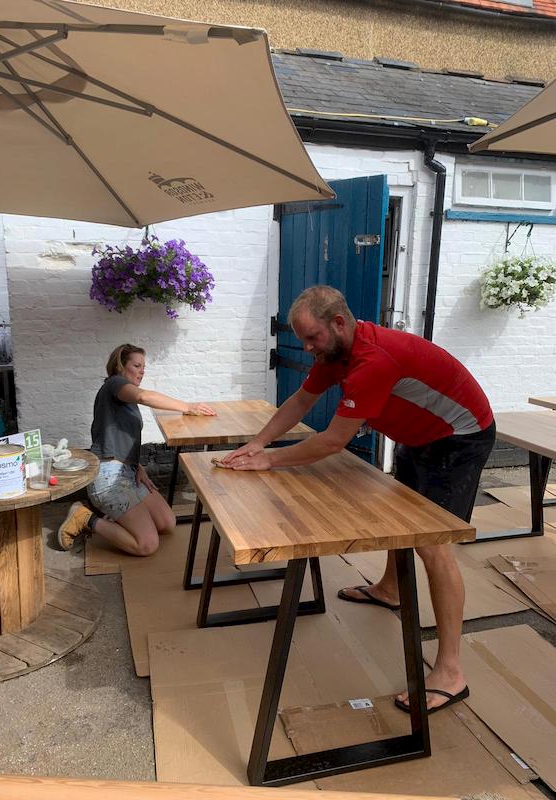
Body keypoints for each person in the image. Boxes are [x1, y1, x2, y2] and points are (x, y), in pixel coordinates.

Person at [222, 285, 495, 715]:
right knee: (400, 515)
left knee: (432, 543)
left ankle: (450, 671)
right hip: (419, 435)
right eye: (303, 340)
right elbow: (300, 401)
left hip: (460, 437)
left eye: (311, 338)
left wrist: (269, 462)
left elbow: (332, 441)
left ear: (338, 323)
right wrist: (256, 444)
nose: (307, 348)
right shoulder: (336, 354)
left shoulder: (373, 360)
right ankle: (390, 589)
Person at [58, 343, 215, 556]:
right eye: (137, 365)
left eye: (144, 367)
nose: (142, 371)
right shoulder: (115, 383)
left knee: (167, 523)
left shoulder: (124, 398)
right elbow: (145, 397)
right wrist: (188, 407)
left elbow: (118, 437)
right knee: (147, 545)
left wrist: (137, 466)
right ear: (121, 365)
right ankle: (85, 517)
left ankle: (120, 517)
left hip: (129, 473)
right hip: (108, 478)